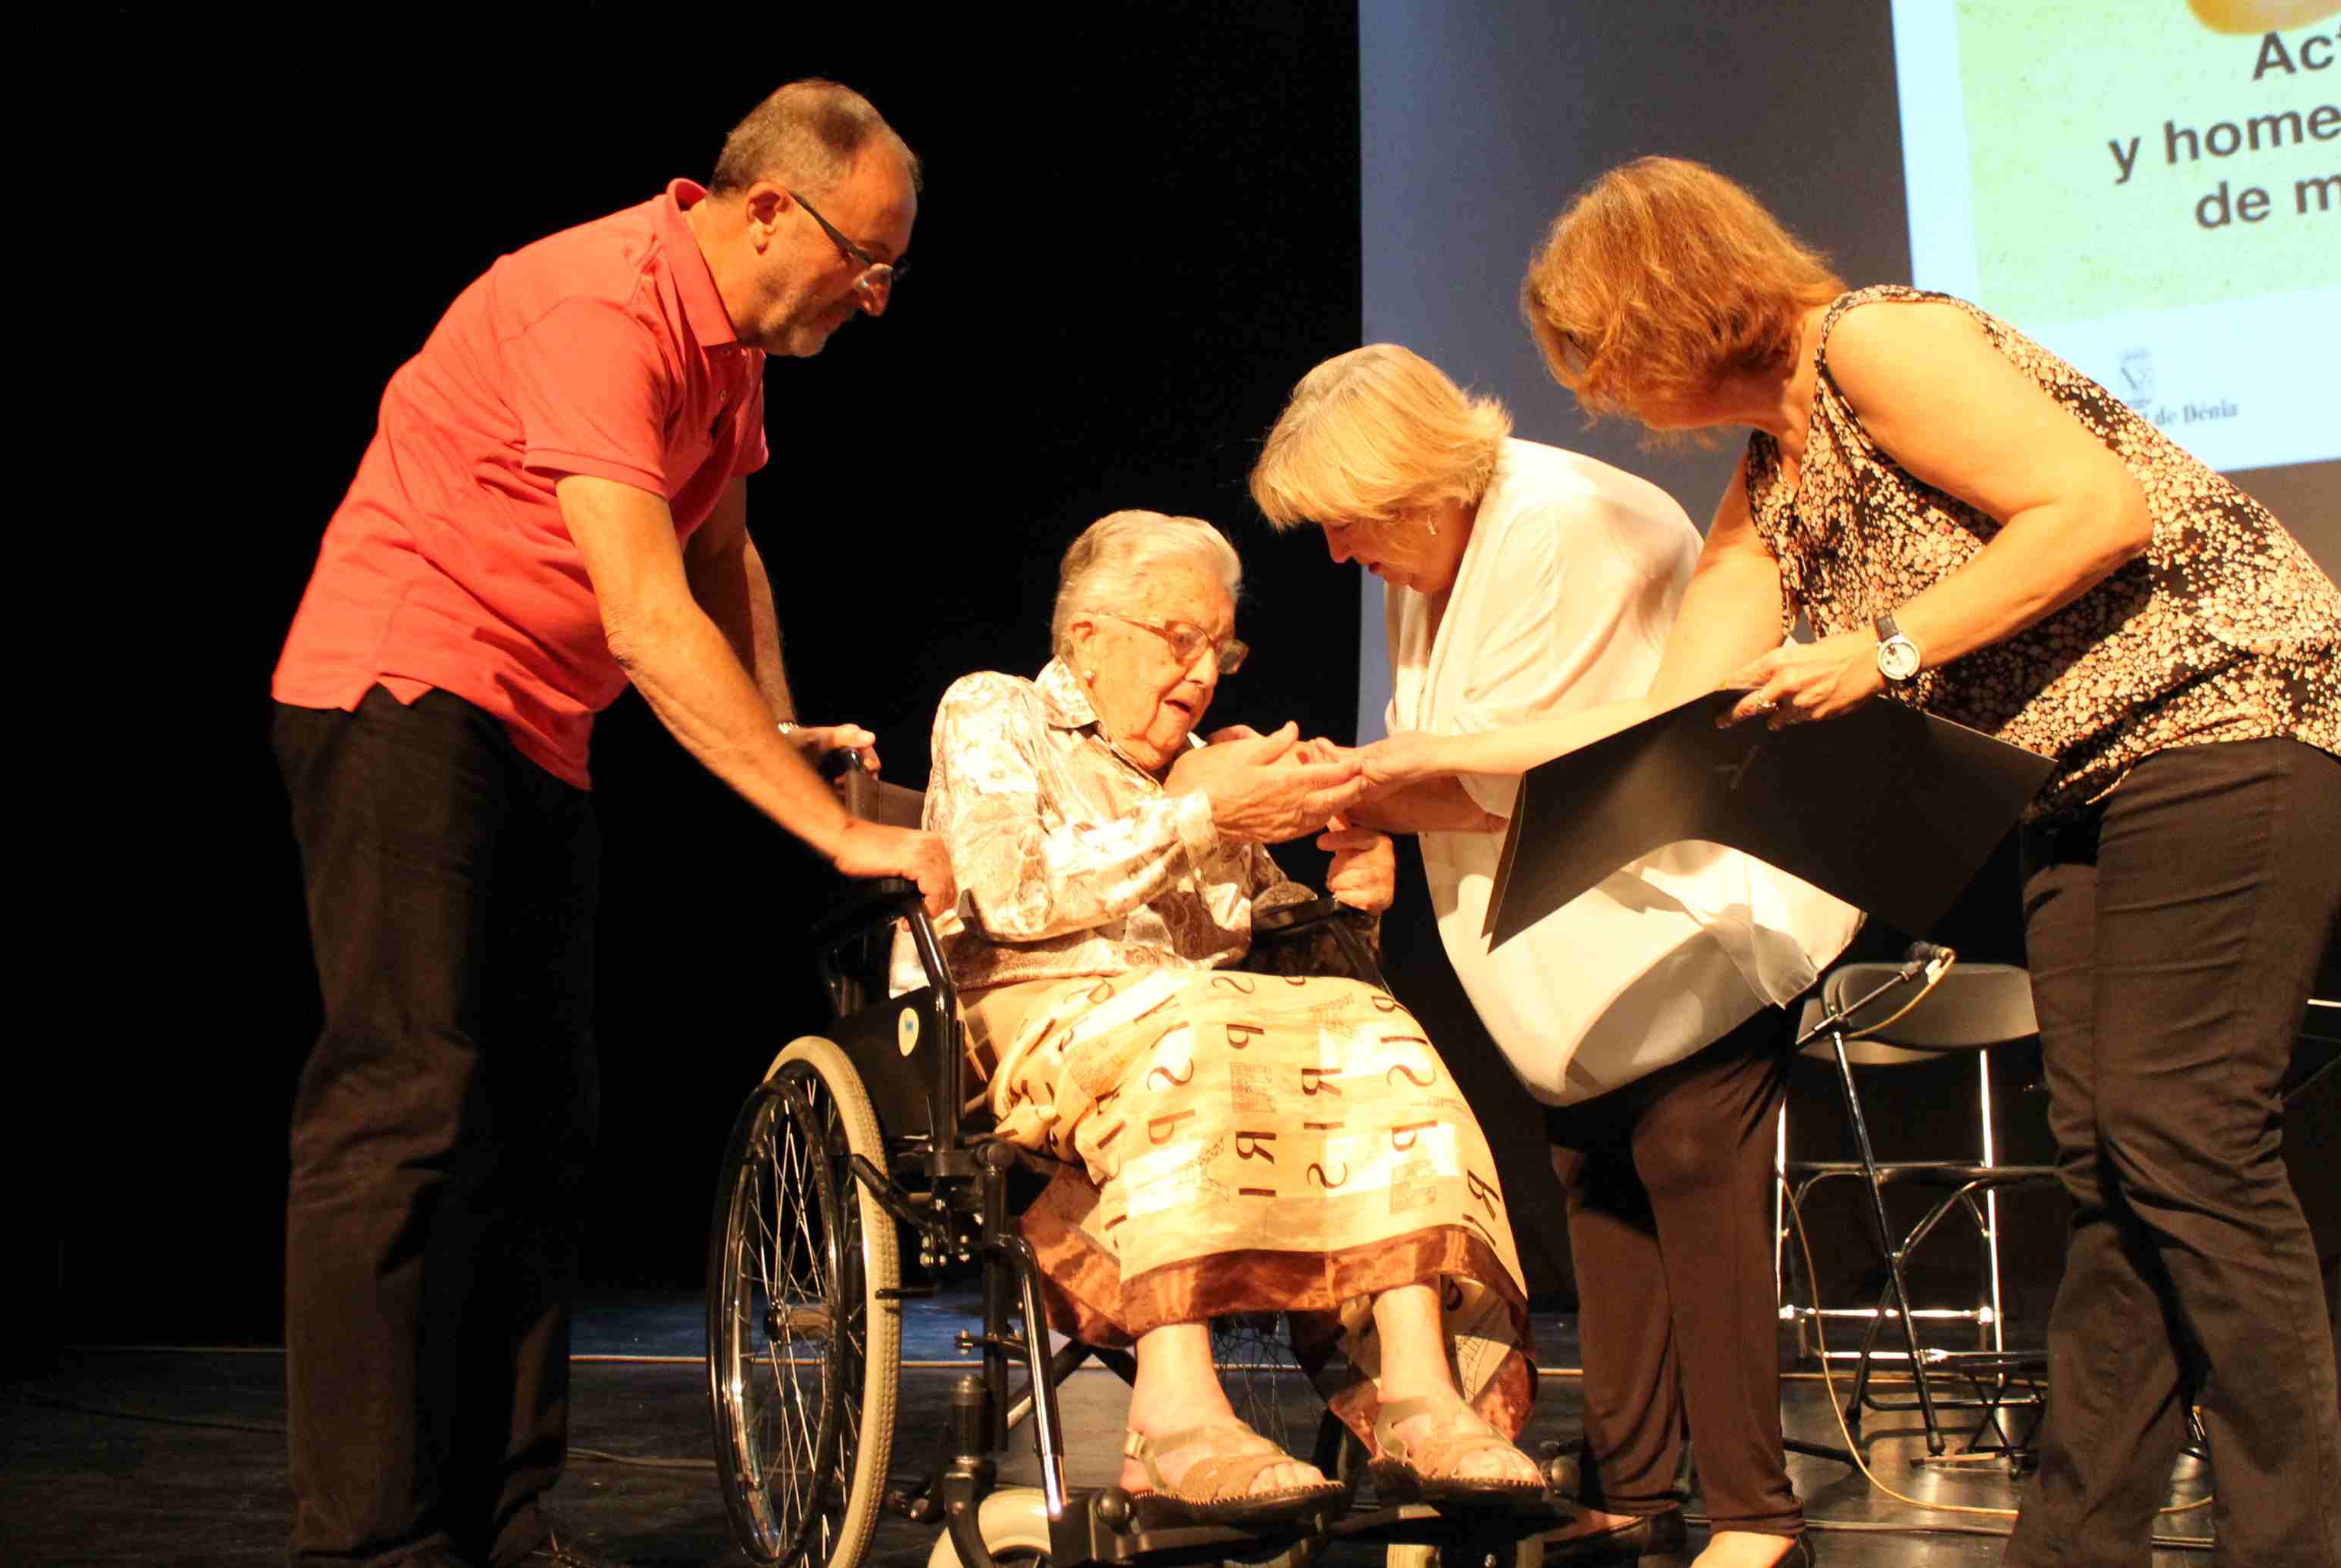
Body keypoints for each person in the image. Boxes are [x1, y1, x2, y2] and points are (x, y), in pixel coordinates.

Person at [1362, 155, 2341, 1568]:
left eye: (1602, 357)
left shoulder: (1880, 338)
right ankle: (2075, 1542)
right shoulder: (1773, 479)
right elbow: (1665, 710)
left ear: (1663, 309)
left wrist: (1887, 651)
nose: (1611, 398)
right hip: (2075, 792)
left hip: (2227, 726)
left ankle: (2291, 1536)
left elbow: (2094, 508)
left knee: (2188, 1142)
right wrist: (1408, 770)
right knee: (2115, 1164)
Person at [269, 82, 953, 1568]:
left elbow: (720, 548)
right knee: (405, 1111)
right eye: (868, 257)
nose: (876, 297)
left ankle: (505, 1510)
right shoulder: (602, 306)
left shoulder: (727, 355)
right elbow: (645, 617)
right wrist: (838, 837)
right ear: (769, 206)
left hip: (531, 724)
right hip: (402, 691)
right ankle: (370, 1539)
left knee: (540, 1123)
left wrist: (774, 728)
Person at [1251, 343, 1861, 1568]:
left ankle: (1756, 1513)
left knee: (1693, 1169)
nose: (1335, 554)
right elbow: (1446, 757)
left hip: (1686, 916)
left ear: (1414, 479)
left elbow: (1527, 778)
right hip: (1574, 956)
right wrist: (1364, 801)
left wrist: (1350, 784)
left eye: (1343, 521)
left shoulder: (1566, 523)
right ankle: (1637, 1490)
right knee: (1599, 1188)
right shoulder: (1429, 547)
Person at [904, 509, 1545, 1521]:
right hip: (1030, 1020)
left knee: (1370, 1027)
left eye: (1220, 648)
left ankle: (1419, 1390)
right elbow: (1009, 889)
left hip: (1190, 1027)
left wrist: (1356, 898)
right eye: (1179, 640)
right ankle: (1175, 1416)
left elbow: (1295, 957)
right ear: (1088, 638)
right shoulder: (996, 713)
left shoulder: (1206, 767)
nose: (1204, 673)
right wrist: (1199, 816)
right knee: (1191, 1021)